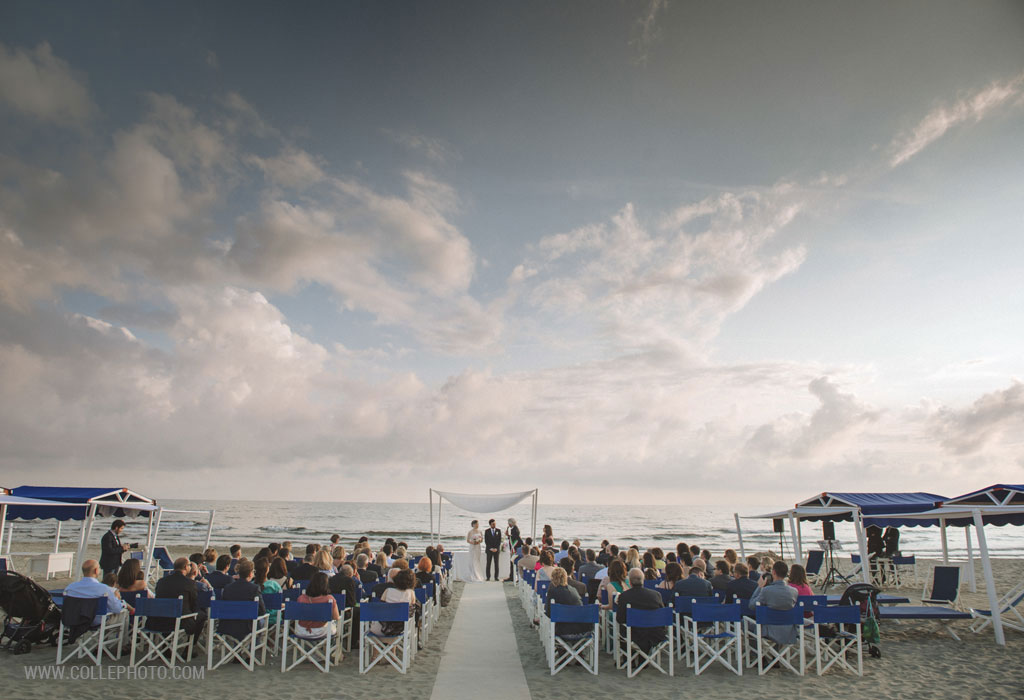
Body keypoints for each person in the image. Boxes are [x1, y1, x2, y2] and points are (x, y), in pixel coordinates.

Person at [153, 557, 206, 643]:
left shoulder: (161, 581)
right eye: (189, 565)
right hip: (179, 621)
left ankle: (166, 645)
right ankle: (190, 647)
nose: (190, 567)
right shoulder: (189, 583)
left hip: (158, 619)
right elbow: (193, 603)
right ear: (185, 567)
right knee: (202, 615)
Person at [616, 568, 666, 654]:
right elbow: (662, 616)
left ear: (630, 582)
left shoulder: (624, 596)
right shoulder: (656, 595)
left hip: (633, 634)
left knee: (623, 628)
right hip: (654, 633)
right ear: (643, 581)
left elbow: (620, 619)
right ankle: (644, 657)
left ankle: (628, 659)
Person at [749, 560, 799, 645]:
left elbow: (751, 605)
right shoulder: (794, 591)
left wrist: (759, 587)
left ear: (773, 572)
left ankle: (761, 655)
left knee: (746, 623)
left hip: (770, 632)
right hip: (789, 632)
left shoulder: (766, 590)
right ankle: (775, 654)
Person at [65, 559, 127, 626]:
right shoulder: (103, 589)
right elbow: (116, 609)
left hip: (74, 620)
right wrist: (118, 599)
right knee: (125, 613)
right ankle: (123, 636)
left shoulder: (70, 588)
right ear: (96, 570)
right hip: (96, 621)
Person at [218, 559, 266, 640]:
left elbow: (223, 608)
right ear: (250, 573)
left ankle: (237, 649)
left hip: (227, 625)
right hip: (247, 627)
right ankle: (251, 648)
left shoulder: (227, 588)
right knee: (261, 620)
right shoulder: (254, 588)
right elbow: (262, 611)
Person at [545, 567, 591, 635]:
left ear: (553, 579)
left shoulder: (552, 591)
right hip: (581, 628)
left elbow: (549, 613)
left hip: (563, 630)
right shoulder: (573, 590)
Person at [297, 573, 340, 643]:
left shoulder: (301, 598)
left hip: (302, 631)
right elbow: (336, 617)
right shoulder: (329, 599)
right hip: (321, 631)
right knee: (335, 624)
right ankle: (335, 651)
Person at [373, 568, 417, 637]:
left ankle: (385, 646)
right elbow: (412, 612)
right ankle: (391, 645)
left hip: (384, 626)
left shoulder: (388, 591)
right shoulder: (411, 593)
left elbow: (380, 607)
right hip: (402, 628)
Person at [255, 558, 282, 626]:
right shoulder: (274, 585)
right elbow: (279, 603)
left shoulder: (252, 586)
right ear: (267, 570)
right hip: (273, 619)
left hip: (257, 619)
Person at [504, 517, 522, 582]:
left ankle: (512, 577)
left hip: (515, 548)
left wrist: (508, 535)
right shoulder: (515, 529)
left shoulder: (514, 529)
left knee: (513, 563)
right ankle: (512, 576)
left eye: (509, 523)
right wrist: (509, 536)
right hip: (515, 548)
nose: (508, 524)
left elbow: (515, 538)